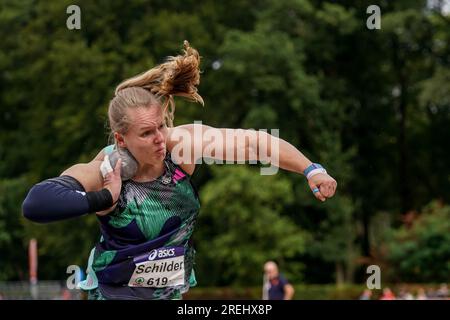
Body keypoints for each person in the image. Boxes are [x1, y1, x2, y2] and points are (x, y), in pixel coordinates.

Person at [22, 41, 337, 300]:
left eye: (160, 126)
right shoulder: (107, 168)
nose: (159, 138)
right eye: (146, 133)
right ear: (122, 139)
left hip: (170, 292)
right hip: (115, 293)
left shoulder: (180, 146)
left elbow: (255, 143)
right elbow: (37, 203)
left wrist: (311, 170)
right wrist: (103, 197)